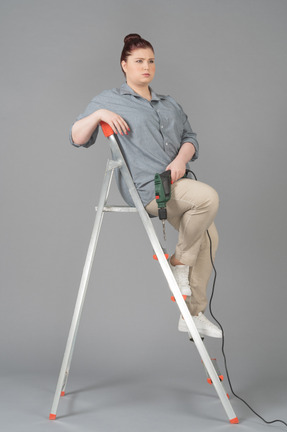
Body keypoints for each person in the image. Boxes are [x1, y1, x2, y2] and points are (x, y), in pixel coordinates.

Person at [70, 34, 222, 338]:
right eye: (139, 61)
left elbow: (191, 138)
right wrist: (99, 114)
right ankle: (179, 261)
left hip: (175, 184)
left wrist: (180, 160)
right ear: (124, 65)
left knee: (209, 238)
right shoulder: (110, 99)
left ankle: (192, 313)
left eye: (151, 61)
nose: (146, 66)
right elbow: (77, 136)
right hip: (148, 188)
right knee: (208, 197)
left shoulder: (170, 104)